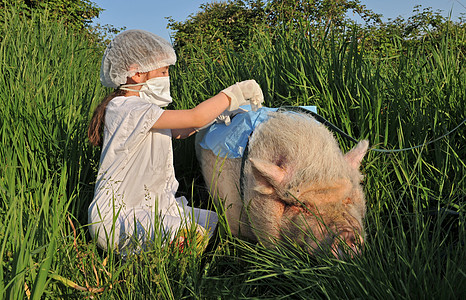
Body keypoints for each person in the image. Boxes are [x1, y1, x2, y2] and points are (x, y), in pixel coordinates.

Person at [87, 29, 263, 254]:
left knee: (213, 223)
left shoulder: (145, 110)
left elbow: (182, 130)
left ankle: (175, 253)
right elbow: (195, 116)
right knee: (190, 236)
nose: (166, 77)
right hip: (117, 216)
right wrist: (233, 94)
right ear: (136, 73)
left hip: (152, 206)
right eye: (163, 71)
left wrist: (219, 115)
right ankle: (167, 272)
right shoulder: (126, 108)